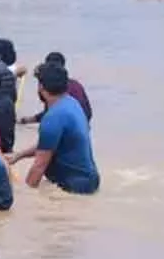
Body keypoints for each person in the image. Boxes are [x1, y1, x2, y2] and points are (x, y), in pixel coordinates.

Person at [7, 64, 100, 194]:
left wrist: (25, 198)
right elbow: (49, 145)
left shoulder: (52, 118)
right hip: (90, 179)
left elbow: (39, 166)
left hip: (74, 186)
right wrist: (19, 156)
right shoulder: (71, 103)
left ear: (40, 87)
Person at [20, 52, 91, 124]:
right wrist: (30, 119)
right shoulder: (76, 85)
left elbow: (51, 113)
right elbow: (88, 112)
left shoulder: (51, 87)